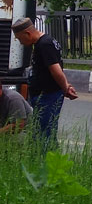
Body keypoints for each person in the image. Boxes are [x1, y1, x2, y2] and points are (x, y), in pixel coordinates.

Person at [10, 17, 77, 145]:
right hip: (45, 95)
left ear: (27, 33)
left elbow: (56, 70)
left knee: (45, 133)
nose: (20, 42)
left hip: (48, 96)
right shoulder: (43, 43)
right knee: (40, 133)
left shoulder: (44, 44)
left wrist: (65, 89)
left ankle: (47, 160)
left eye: (19, 38)